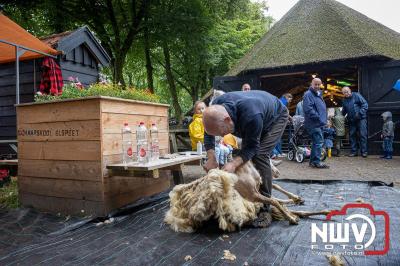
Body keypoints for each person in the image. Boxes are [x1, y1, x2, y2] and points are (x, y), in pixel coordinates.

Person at [203, 90, 288, 227]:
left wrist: (233, 164)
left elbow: (252, 147)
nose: (222, 136)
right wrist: (211, 158)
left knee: (260, 155)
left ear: (227, 119)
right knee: (243, 155)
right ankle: (251, 193)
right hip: (256, 116)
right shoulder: (214, 109)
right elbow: (208, 133)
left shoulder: (251, 115)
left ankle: (265, 209)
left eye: (222, 132)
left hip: (276, 117)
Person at [303, 78, 329, 168]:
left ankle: (313, 162)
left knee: (316, 142)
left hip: (319, 122)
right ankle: (317, 162)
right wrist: (318, 117)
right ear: (311, 84)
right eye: (315, 84)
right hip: (314, 123)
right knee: (318, 142)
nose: (317, 86)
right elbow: (308, 109)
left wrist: (323, 119)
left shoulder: (318, 94)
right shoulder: (308, 94)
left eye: (319, 84)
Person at [341, 87, 369, 157]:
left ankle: (364, 152)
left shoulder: (356, 95)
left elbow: (365, 104)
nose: (346, 93)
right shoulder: (344, 100)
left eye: (347, 91)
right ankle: (354, 152)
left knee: (362, 135)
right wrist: (339, 115)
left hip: (361, 118)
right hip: (351, 120)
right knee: (352, 135)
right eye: (344, 92)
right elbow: (344, 110)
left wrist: (360, 113)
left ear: (350, 91)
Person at [272, 93, 293, 158]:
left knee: (278, 138)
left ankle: (279, 152)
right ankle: (276, 152)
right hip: (276, 122)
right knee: (276, 138)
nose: (290, 101)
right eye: (290, 99)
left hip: (276, 121)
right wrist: (289, 118)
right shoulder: (283, 102)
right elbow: (283, 112)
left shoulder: (280, 101)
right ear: (287, 97)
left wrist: (288, 118)